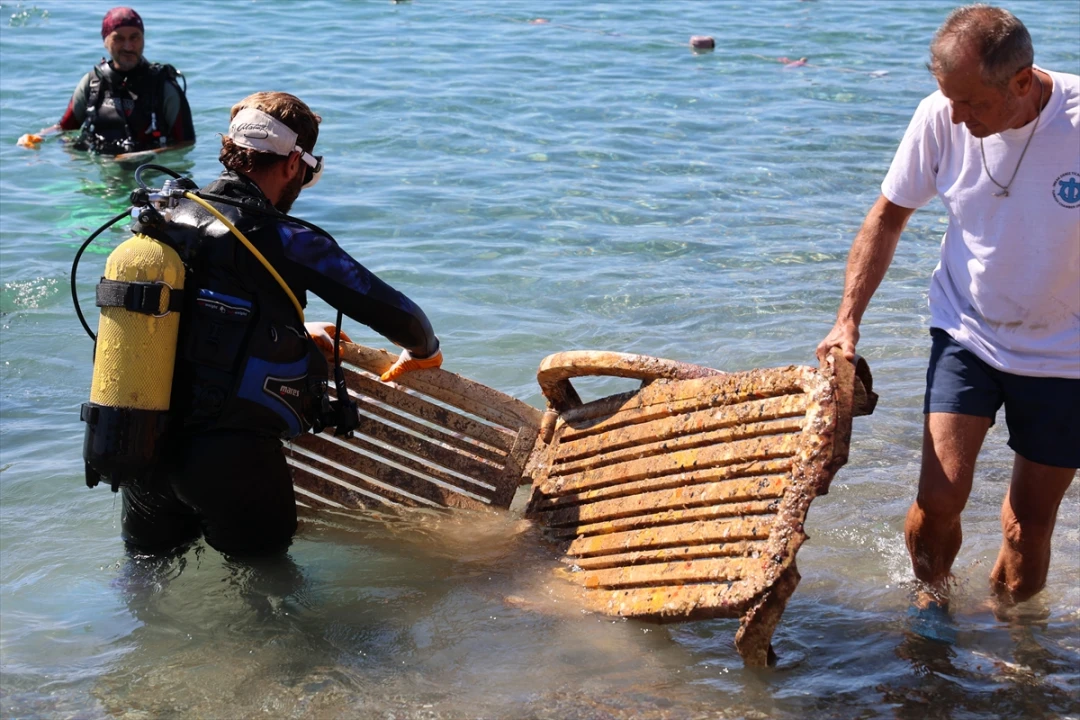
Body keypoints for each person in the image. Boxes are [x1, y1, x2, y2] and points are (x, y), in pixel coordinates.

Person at [816, 4, 1078, 611]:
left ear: (1020, 80)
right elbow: (887, 218)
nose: (956, 116)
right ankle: (931, 608)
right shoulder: (941, 115)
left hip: (1067, 354)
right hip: (968, 331)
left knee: (1026, 528)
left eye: (972, 103)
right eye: (948, 99)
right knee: (939, 500)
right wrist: (846, 319)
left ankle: (1010, 633)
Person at [119, 91, 443, 557]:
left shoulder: (169, 214)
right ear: (293, 164)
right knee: (269, 595)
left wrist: (287, 330)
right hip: (231, 461)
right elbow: (398, 314)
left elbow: (199, 313)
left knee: (143, 584)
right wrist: (423, 351)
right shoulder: (288, 240)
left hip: (141, 447)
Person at [17, 7, 194, 154]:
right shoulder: (92, 82)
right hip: (100, 169)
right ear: (105, 41)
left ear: (143, 39)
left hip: (148, 173)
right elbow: (66, 127)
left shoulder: (163, 87)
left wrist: (143, 157)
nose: (128, 46)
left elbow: (186, 142)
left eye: (134, 37)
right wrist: (38, 136)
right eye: (118, 38)